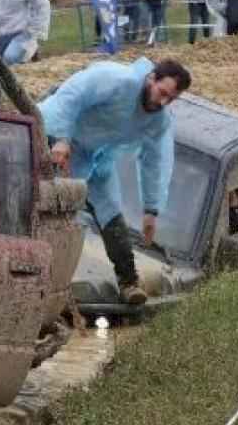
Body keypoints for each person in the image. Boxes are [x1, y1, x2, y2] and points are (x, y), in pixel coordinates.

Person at [39, 58, 192, 306]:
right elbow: (72, 94)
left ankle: (129, 282)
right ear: (151, 78)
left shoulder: (158, 120)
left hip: (95, 156)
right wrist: (61, 137)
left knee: (111, 211)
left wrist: (151, 210)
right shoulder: (117, 79)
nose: (162, 102)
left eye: (170, 99)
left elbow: (155, 161)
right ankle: (36, 273)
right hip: (53, 135)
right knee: (48, 204)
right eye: (162, 93)